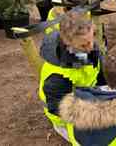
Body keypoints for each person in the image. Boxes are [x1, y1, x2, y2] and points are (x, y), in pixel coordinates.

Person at [39, 10, 105, 139]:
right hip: (67, 117)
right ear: (67, 42)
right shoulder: (57, 76)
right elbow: (61, 110)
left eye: (92, 39)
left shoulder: (88, 47)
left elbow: (101, 75)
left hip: (88, 98)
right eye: (84, 45)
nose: (91, 47)